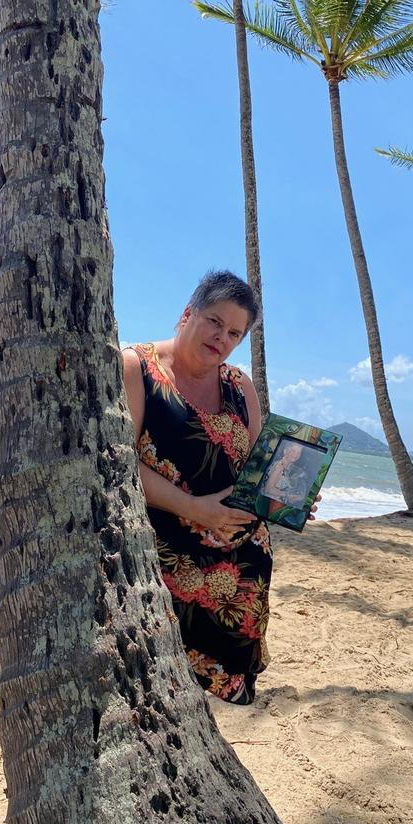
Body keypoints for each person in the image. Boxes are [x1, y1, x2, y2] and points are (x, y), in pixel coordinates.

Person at [123, 270, 319, 705]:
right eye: (214, 321)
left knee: (229, 690)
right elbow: (124, 463)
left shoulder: (238, 384)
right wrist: (194, 509)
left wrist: (294, 491)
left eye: (234, 332)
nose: (222, 337)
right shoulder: (137, 367)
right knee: (175, 686)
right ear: (187, 313)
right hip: (169, 547)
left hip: (244, 555)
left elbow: (258, 466)